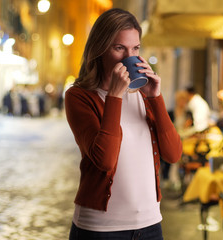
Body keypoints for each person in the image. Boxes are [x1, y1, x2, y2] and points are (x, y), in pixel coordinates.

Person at [64, 8, 182, 240]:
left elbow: (174, 154)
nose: (129, 56)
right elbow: (105, 159)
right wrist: (115, 97)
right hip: (100, 230)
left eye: (135, 49)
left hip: (150, 226)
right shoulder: (79, 97)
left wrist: (155, 97)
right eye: (119, 48)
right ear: (100, 49)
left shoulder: (144, 94)